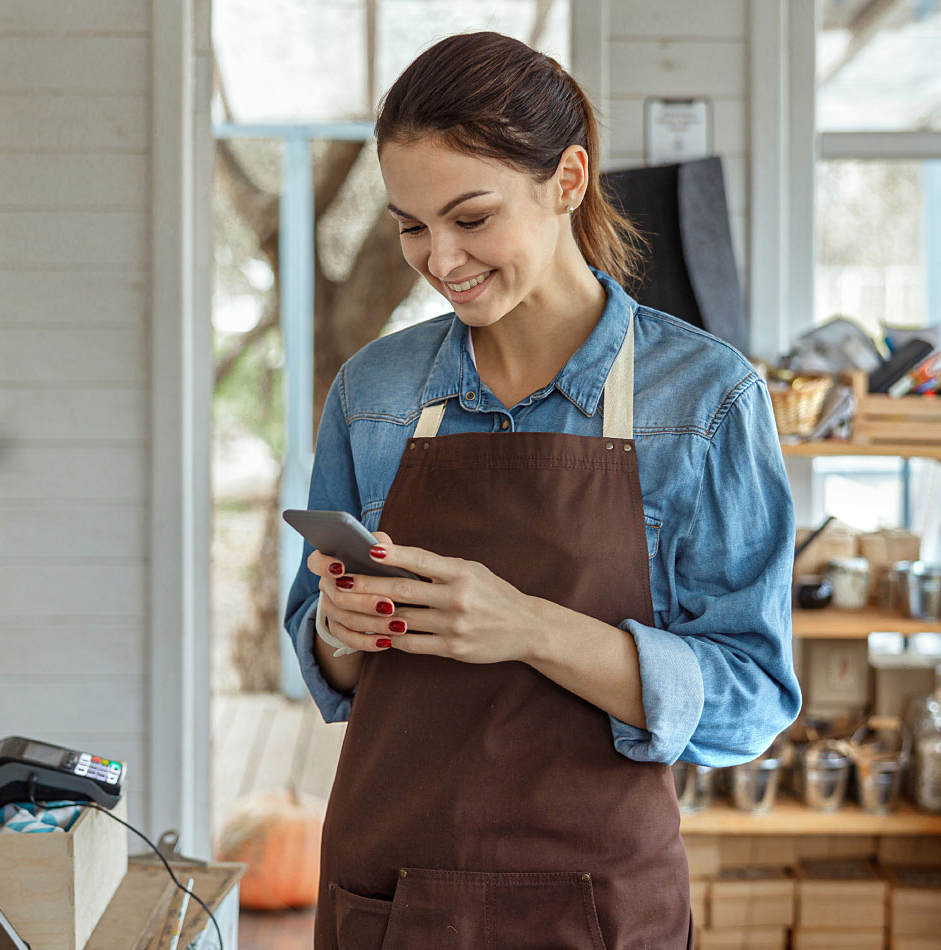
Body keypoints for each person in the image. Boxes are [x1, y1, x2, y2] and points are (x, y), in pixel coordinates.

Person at [281, 30, 802, 950]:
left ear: (566, 181)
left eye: (470, 218)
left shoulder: (704, 399)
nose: (439, 260)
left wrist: (527, 627)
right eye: (410, 225)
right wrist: (339, 629)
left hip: (601, 909)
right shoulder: (375, 392)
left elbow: (752, 698)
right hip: (391, 901)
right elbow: (325, 655)